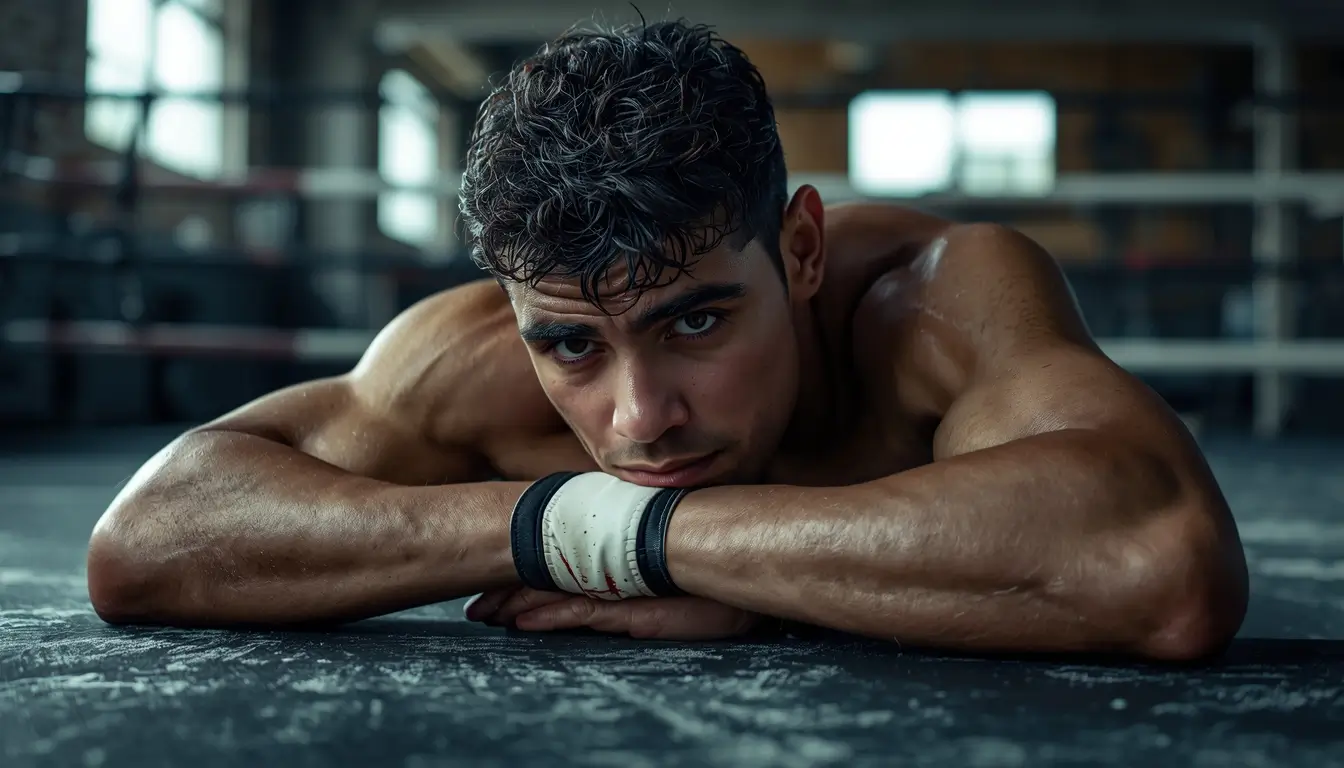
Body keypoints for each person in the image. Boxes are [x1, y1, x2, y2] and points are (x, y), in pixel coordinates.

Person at [86, 20, 1248, 659]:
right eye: (574, 348)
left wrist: (695, 556)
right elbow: (150, 540)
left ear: (797, 251)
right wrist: (587, 528)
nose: (640, 420)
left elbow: (1159, 564)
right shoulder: (480, 352)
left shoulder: (937, 296)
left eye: (695, 321)